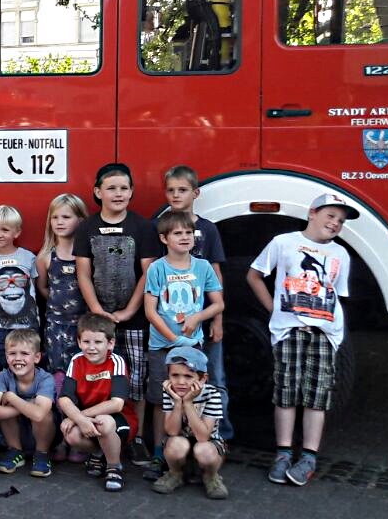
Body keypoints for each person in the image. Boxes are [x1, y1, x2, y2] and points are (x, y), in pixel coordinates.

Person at [248, 192, 357, 487]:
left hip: (324, 333)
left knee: (317, 395)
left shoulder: (341, 255)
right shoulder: (284, 243)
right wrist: (273, 310)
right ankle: (283, 453)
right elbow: (254, 275)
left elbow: (337, 294)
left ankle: (308, 455)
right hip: (289, 330)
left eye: (341, 221)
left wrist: (334, 329)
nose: (335, 224)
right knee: (286, 392)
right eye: (331, 216)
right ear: (312, 213)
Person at [73, 162, 161, 467]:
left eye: (124, 187)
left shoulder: (143, 227)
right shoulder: (87, 228)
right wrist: (98, 311)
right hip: (98, 322)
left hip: (134, 320)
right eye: (111, 188)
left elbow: (149, 272)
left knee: (135, 379)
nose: (118, 193)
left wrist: (129, 311)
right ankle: (101, 437)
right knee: (99, 376)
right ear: (98, 192)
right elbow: (83, 273)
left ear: (132, 191)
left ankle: (135, 438)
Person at [142, 209, 225, 477]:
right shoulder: (157, 268)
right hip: (162, 346)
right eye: (178, 233)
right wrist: (176, 339)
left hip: (194, 347)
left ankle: (191, 450)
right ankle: (159, 451)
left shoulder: (202, 267)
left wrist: (200, 316)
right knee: (160, 398)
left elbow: (219, 303)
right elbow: (151, 312)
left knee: (193, 396)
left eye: (189, 233)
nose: (185, 237)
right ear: (164, 238)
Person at [160, 164, 232, 442]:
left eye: (182, 190)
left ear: (196, 192)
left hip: (203, 316)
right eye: (170, 190)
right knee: (176, 375)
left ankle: (219, 436)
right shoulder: (162, 227)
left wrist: (217, 319)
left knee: (214, 376)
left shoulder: (208, 229)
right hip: (173, 321)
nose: (176, 195)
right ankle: (175, 439)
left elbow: (216, 274)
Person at [57, 314, 133, 492]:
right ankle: (98, 453)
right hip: (90, 418)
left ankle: (114, 467)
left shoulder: (116, 362)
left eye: (98, 342)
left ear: (110, 343)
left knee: (103, 423)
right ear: (79, 342)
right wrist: (78, 420)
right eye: (86, 342)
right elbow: (64, 398)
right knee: (70, 434)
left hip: (119, 420)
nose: (91, 348)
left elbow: (117, 404)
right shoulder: (76, 361)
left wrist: (78, 417)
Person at [150, 346, 229, 500]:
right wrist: (178, 403)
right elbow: (172, 431)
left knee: (204, 450)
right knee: (175, 445)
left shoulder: (212, 394)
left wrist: (188, 402)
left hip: (207, 442)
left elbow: (203, 437)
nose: (180, 382)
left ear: (202, 379)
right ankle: (175, 473)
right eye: (175, 375)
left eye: (188, 376)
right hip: (181, 439)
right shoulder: (170, 392)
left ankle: (211, 476)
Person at [0, 328, 56, 478]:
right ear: (6, 357)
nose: (18, 358)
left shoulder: (45, 379)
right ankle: (15, 451)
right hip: (17, 432)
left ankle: (42, 454)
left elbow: (39, 415)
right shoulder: (3, 376)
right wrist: (26, 406)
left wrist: (12, 398)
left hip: (42, 433)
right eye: (12, 354)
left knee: (46, 414)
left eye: (24, 354)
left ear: (37, 357)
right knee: (3, 408)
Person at [36, 193, 88, 378]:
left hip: (84, 326)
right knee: (57, 373)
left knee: (82, 372)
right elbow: (42, 287)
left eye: (66, 217)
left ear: (80, 220)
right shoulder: (45, 257)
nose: (59, 222)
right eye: (55, 217)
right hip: (55, 327)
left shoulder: (87, 255)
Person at [0, 204, 39, 371]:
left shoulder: (28, 257)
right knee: (2, 366)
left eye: (5, 230)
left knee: (27, 367)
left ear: (17, 232)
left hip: (27, 327)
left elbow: (34, 289)